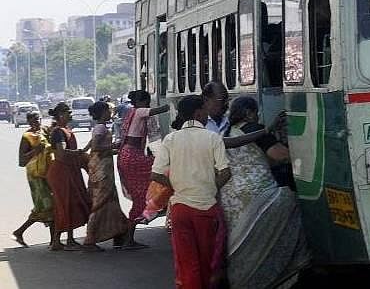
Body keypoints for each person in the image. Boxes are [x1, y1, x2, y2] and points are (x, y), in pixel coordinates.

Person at [221, 96, 309, 288]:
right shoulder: (255, 130)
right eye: (256, 112)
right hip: (257, 193)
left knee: (243, 243)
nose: (257, 116)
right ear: (248, 113)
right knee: (290, 206)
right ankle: (278, 274)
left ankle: (244, 280)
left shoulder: (227, 131)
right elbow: (280, 155)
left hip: (231, 199)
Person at [152, 95, 231, 289]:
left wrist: (177, 185)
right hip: (206, 208)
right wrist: (209, 187)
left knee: (186, 262)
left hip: (180, 209)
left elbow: (155, 174)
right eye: (205, 110)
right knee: (208, 261)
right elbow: (225, 172)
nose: (207, 114)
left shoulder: (171, 139)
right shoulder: (212, 138)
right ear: (198, 113)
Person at [117, 90, 169, 248]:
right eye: (147, 102)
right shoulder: (139, 111)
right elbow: (160, 110)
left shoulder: (130, 112)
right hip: (133, 156)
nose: (148, 105)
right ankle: (129, 238)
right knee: (162, 171)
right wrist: (172, 104)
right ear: (142, 102)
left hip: (128, 154)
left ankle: (129, 236)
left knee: (140, 195)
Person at [82, 101, 129, 252]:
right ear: (103, 112)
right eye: (109, 111)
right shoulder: (101, 128)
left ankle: (118, 233)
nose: (111, 113)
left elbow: (92, 147)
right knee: (100, 203)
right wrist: (114, 146)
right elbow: (96, 147)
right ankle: (90, 240)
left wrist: (115, 150)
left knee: (111, 201)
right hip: (101, 171)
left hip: (102, 168)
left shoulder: (100, 127)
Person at [46, 102, 91, 251]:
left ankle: (69, 239)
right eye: (68, 113)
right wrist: (79, 153)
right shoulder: (58, 132)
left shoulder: (66, 130)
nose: (71, 115)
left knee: (72, 205)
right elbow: (61, 154)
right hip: (62, 172)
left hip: (70, 170)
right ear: (61, 115)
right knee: (64, 205)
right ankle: (57, 241)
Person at [12, 112, 54, 247]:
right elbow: (22, 161)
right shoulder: (27, 136)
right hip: (36, 176)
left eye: (37, 119)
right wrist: (36, 150)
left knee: (51, 205)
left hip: (49, 173)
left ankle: (20, 232)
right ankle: (54, 241)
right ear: (28, 122)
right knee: (47, 205)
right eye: (33, 120)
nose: (36, 122)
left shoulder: (45, 131)